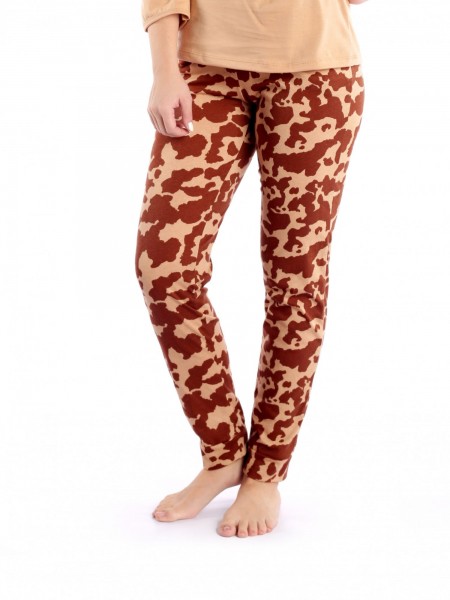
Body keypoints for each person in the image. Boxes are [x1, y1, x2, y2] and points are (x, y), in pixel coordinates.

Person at [134, 0, 369, 538]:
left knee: (296, 280)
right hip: (204, 72)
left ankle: (266, 471)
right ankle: (223, 453)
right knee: (164, 267)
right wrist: (164, 70)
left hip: (318, 78)